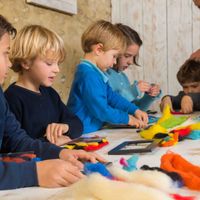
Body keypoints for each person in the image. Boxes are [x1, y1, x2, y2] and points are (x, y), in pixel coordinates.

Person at [0, 15, 105, 190]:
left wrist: (62, 153)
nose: (10, 63)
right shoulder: (12, 97)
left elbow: (19, 140)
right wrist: (35, 172)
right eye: (4, 54)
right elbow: (11, 151)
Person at [4, 25, 83, 146]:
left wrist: (65, 127)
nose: (57, 69)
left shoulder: (50, 93)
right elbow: (13, 145)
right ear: (26, 62)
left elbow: (77, 124)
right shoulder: (12, 98)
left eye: (58, 63)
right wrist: (50, 141)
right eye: (49, 63)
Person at [67, 20, 148, 134]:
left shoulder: (96, 73)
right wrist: (128, 118)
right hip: (81, 133)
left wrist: (134, 110)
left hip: (91, 130)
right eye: (114, 56)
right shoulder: (88, 74)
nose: (115, 62)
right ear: (99, 50)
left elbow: (112, 97)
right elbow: (102, 110)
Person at [105, 24, 161, 111]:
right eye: (127, 56)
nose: (131, 62)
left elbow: (133, 110)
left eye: (133, 57)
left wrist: (149, 96)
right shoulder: (102, 75)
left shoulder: (123, 77)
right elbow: (106, 108)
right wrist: (133, 91)